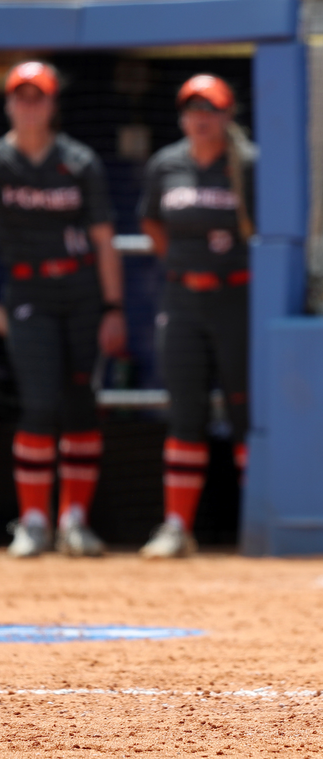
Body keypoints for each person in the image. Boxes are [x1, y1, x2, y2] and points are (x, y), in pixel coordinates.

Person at [1, 61, 127, 558]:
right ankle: (33, 521)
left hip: (80, 294)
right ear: (9, 103)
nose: (30, 105)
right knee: (38, 402)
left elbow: (103, 239)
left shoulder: (79, 162)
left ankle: (74, 520)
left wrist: (114, 307)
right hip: (27, 296)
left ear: (53, 105)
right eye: (21, 96)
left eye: (39, 97)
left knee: (79, 402)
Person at [137, 74, 256, 558]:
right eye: (192, 109)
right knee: (185, 410)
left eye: (211, 108)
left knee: (245, 412)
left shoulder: (247, 164)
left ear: (229, 115)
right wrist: (185, 268)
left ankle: (254, 525)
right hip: (183, 300)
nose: (201, 118)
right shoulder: (166, 164)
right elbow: (151, 223)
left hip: (236, 299)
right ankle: (176, 526)